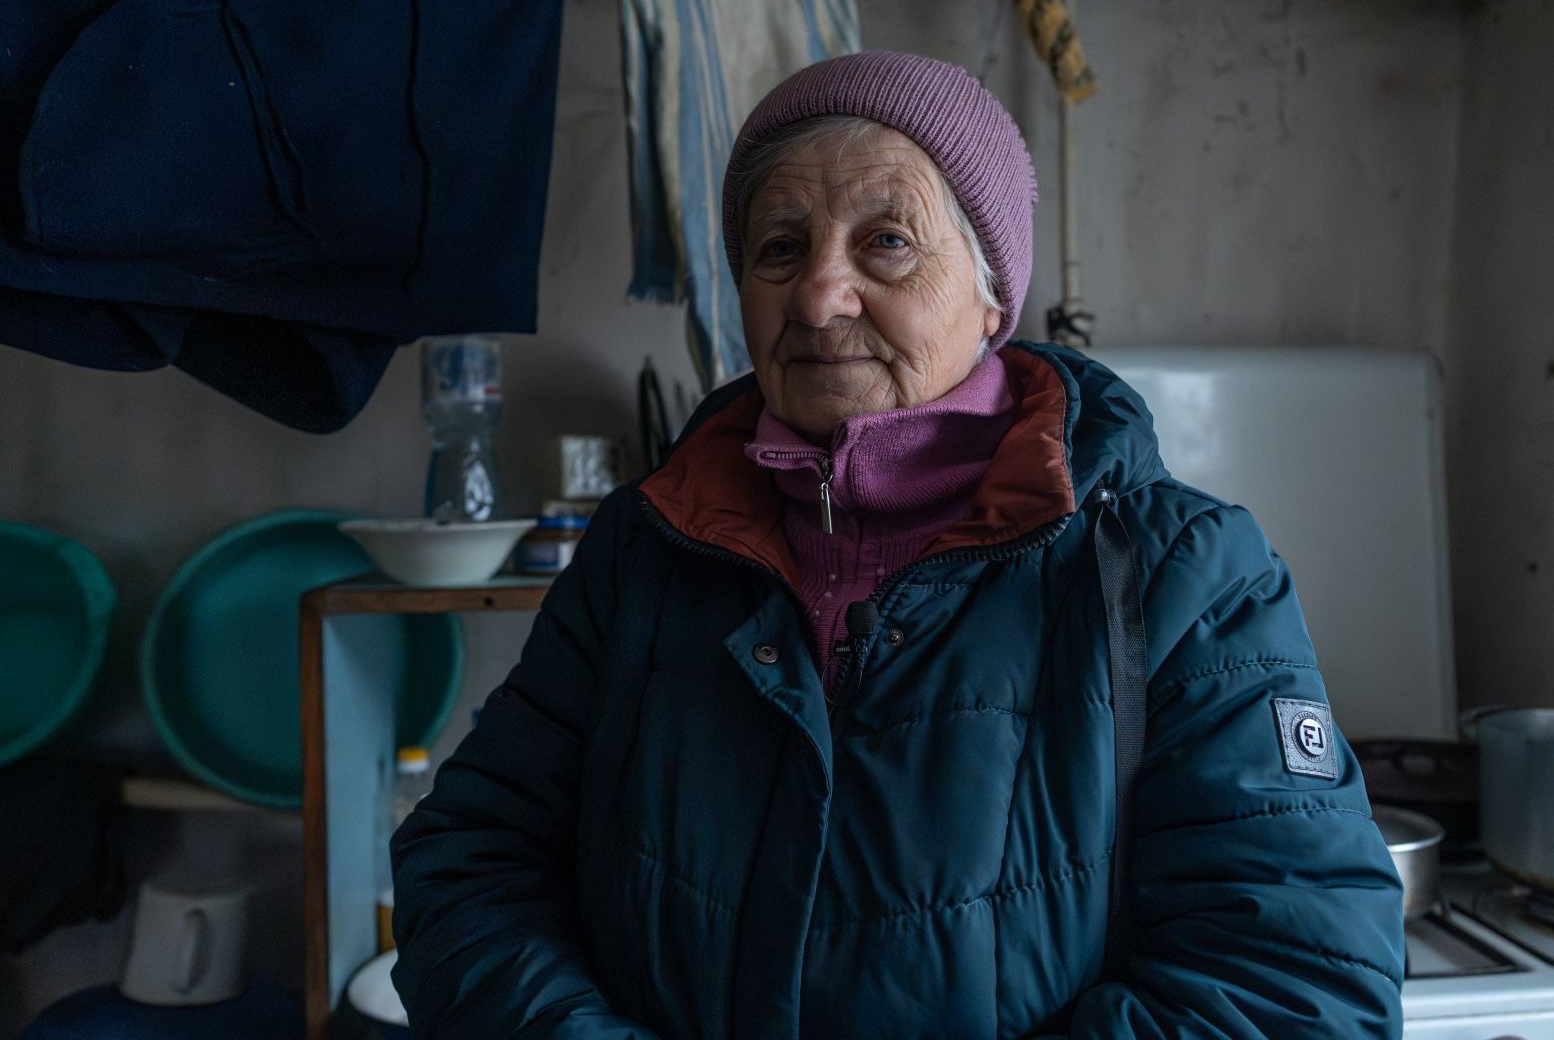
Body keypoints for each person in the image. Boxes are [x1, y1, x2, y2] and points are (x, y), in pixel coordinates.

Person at [392, 51, 1404, 1038]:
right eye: (779, 248)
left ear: (994, 293)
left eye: (886, 241)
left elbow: (1292, 983)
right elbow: (472, 860)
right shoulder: (646, 550)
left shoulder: (1181, 573)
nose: (820, 295)